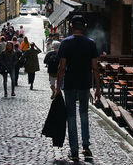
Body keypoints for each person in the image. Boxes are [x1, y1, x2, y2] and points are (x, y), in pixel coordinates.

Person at [55, 15, 101, 161]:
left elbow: (61, 67)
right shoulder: (90, 43)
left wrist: (57, 87)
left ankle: (74, 151)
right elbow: (95, 67)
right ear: (84, 27)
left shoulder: (65, 43)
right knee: (84, 114)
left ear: (71, 26)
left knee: (71, 117)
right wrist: (98, 87)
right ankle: (86, 147)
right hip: (85, 84)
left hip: (69, 84)